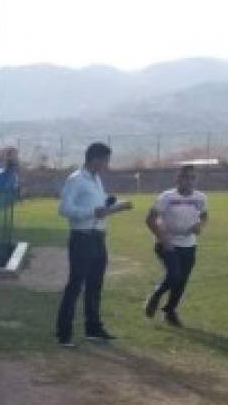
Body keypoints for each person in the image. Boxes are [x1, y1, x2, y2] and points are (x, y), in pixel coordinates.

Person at [55, 142, 133, 346]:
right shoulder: (76, 179)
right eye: (106, 160)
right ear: (95, 159)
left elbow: (98, 205)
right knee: (75, 285)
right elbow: (64, 209)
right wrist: (92, 212)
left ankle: (93, 328)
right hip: (82, 238)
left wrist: (116, 205)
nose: (107, 164)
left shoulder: (96, 179)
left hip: (98, 237)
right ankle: (64, 334)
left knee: (95, 285)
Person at [144, 165, 208, 327]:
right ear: (178, 179)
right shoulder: (166, 197)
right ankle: (156, 296)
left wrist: (200, 225)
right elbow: (150, 219)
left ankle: (170, 312)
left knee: (182, 280)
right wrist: (163, 239)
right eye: (186, 177)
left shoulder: (200, 198)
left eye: (193, 177)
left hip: (189, 245)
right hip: (167, 244)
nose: (189, 181)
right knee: (174, 275)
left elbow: (204, 215)